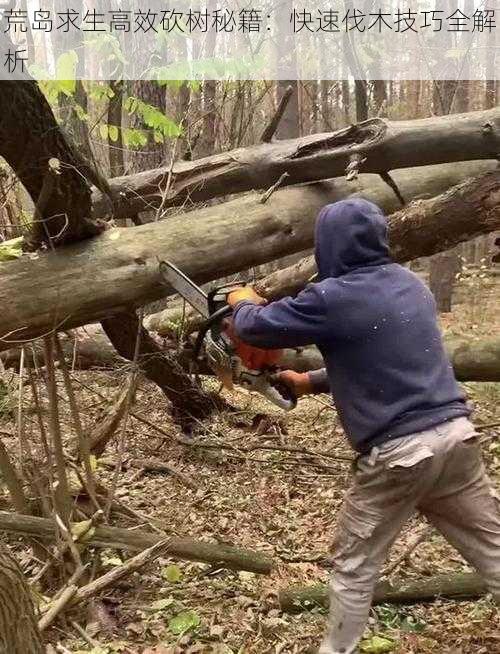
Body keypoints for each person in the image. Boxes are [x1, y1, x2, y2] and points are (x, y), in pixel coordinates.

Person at [226, 198, 500, 654]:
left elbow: (255, 327)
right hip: (455, 437)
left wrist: (241, 299)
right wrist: (309, 381)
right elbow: (380, 357)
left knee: (354, 568)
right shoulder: (410, 285)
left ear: (328, 246)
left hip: (399, 455)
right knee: (493, 551)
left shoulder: (333, 296)